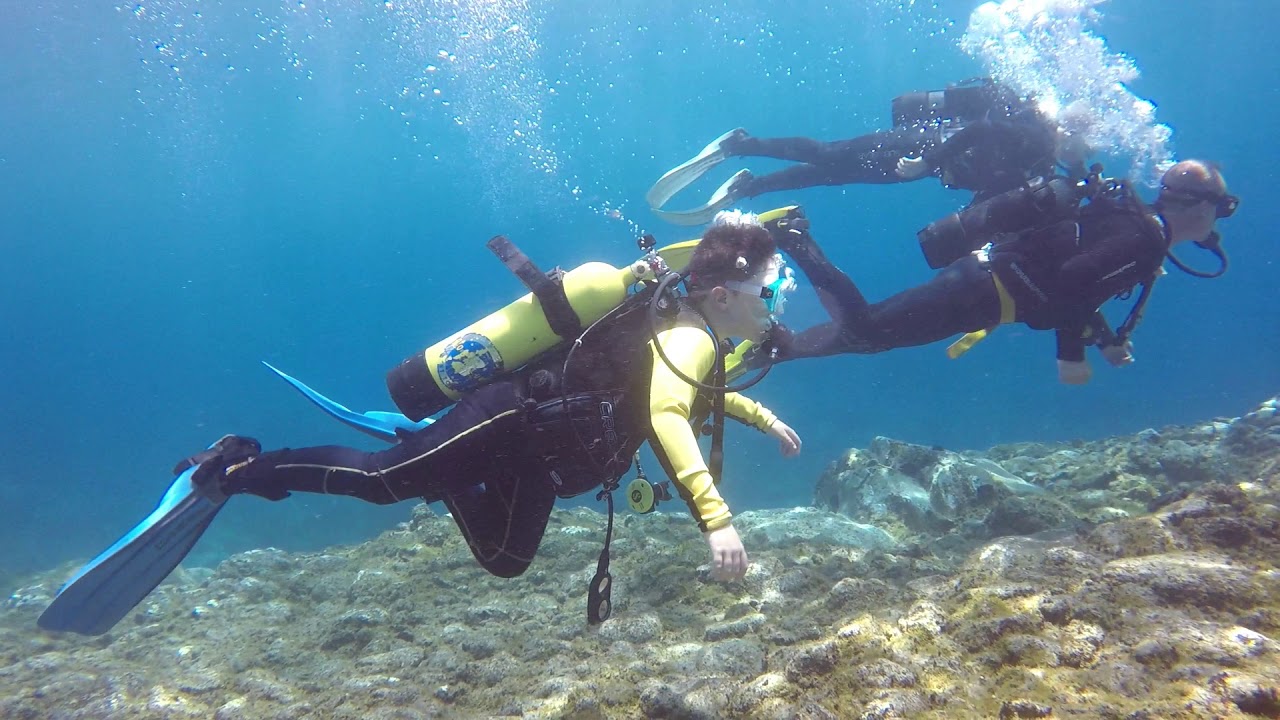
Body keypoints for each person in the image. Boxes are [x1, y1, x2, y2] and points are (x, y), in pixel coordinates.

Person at [38, 215, 803, 636]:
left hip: (532, 455)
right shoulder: (689, 332)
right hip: (509, 418)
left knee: (506, 558)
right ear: (728, 290)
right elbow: (671, 414)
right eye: (768, 290)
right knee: (384, 481)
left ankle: (439, 460)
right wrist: (717, 520)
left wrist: (760, 415)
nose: (772, 304)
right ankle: (236, 468)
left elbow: (689, 395)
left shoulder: (687, 329)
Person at [769, 160, 1238, 385]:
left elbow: (1079, 283)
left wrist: (1103, 335)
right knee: (868, 330)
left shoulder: (1132, 223)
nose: (1220, 222)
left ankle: (775, 348)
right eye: (1224, 209)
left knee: (869, 332)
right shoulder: (1143, 240)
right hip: (980, 291)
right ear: (1199, 207)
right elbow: (1074, 282)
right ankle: (794, 238)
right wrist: (1072, 355)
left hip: (983, 284)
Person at [647, 78, 1064, 226]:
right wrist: (928, 161)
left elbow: (990, 186)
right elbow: (981, 127)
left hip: (922, 165)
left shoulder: (1039, 161)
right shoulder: (1036, 136)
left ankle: (751, 187)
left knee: (833, 174)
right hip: (921, 148)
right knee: (831, 154)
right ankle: (740, 145)